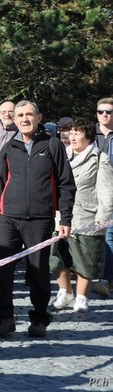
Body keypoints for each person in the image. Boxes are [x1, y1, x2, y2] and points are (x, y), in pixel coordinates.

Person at [0, 100, 76, 338]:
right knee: (2, 271)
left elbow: (66, 184)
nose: (24, 119)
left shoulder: (53, 144)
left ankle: (39, 319)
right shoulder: (8, 147)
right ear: (14, 119)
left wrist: (65, 219)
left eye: (29, 114)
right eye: (20, 115)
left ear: (39, 118)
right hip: (9, 218)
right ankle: (4, 318)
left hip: (40, 218)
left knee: (38, 271)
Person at [50, 118, 113, 312]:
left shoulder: (99, 158)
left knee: (84, 258)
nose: (73, 136)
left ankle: (81, 296)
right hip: (60, 214)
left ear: (89, 137)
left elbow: (106, 190)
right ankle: (65, 290)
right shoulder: (61, 155)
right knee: (56, 257)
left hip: (87, 215)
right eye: (72, 132)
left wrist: (103, 215)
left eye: (78, 133)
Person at [93, 98, 113, 298]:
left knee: (109, 235)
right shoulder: (90, 135)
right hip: (94, 193)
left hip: (111, 191)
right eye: (101, 111)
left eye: (108, 111)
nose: (105, 115)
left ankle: (106, 279)